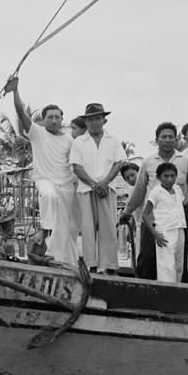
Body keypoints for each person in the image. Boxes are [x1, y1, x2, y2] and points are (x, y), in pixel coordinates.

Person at [5, 75, 78, 266]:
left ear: (62, 119)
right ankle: (44, 232)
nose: (53, 120)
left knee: (65, 229)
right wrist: (15, 90)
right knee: (49, 196)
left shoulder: (70, 140)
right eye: (49, 117)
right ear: (43, 120)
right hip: (45, 180)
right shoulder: (37, 133)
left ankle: (65, 262)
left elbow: (75, 164)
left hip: (66, 184)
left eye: (57, 117)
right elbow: (21, 113)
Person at [120, 122, 188, 280]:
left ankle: (179, 294)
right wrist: (127, 212)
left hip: (177, 221)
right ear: (157, 139)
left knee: (178, 258)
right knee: (148, 258)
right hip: (153, 220)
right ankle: (145, 291)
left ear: (176, 140)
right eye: (164, 137)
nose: (167, 140)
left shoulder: (186, 161)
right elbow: (140, 190)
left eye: (171, 137)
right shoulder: (148, 162)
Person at [69, 103, 127, 273]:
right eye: (91, 120)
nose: (94, 122)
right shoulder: (79, 142)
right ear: (86, 123)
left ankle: (109, 265)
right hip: (87, 189)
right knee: (88, 228)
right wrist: (95, 185)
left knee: (108, 228)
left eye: (97, 119)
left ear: (104, 120)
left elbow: (119, 162)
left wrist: (105, 182)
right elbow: (77, 167)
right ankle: (91, 264)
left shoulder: (113, 140)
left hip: (107, 189)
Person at [141, 162, 187, 283]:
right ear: (158, 177)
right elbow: (145, 215)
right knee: (166, 266)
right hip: (165, 232)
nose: (169, 179)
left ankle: (177, 291)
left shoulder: (177, 189)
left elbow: (180, 205)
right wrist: (155, 234)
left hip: (179, 228)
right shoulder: (156, 192)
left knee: (178, 264)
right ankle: (166, 293)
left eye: (172, 176)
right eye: (166, 176)